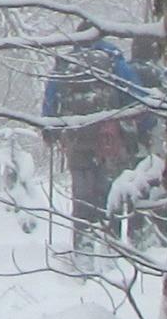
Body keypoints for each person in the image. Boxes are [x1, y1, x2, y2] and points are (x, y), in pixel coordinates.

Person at [41, 38, 139, 251]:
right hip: (108, 139)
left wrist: (50, 130)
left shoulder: (66, 63)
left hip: (76, 138)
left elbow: (50, 98)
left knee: (82, 195)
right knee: (108, 193)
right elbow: (134, 94)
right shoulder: (113, 60)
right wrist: (135, 129)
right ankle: (109, 247)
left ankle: (83, 247)